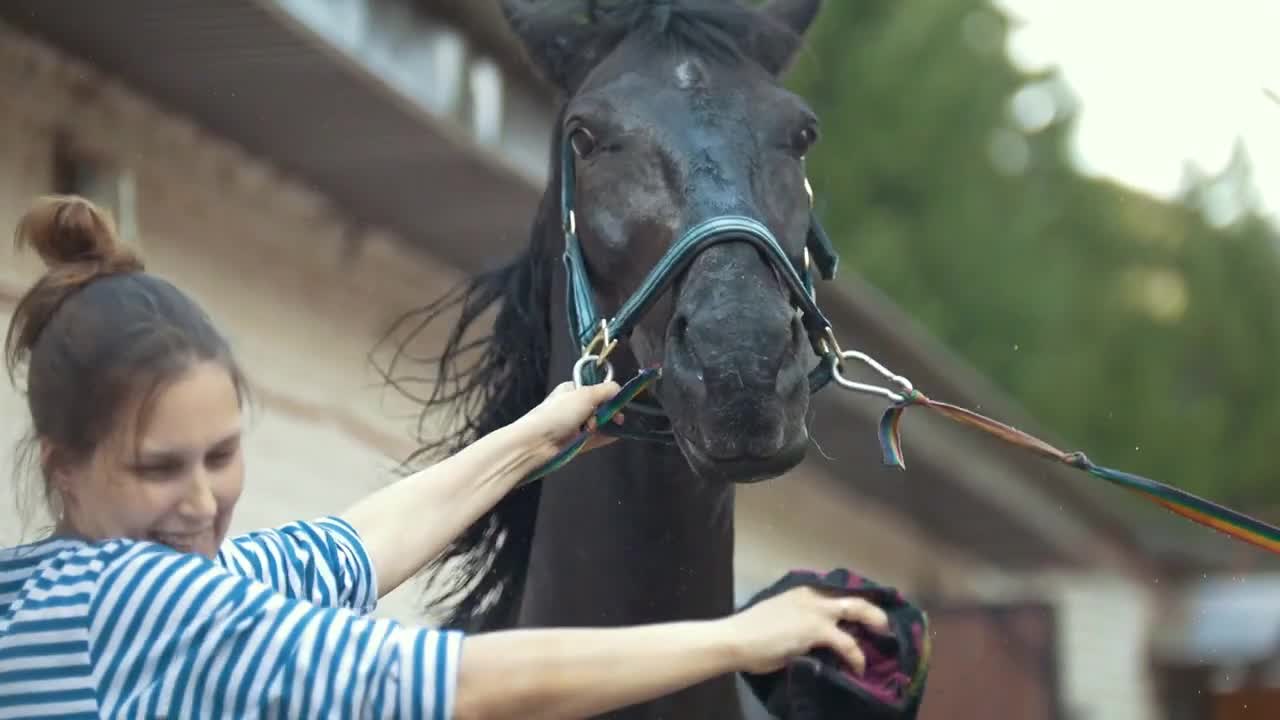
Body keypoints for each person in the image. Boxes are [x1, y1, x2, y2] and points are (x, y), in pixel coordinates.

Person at [0, 195, 891, 719]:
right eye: (161, 468)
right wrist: (739, 635)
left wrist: (536, 435)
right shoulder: (135, 602)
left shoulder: (45, 588)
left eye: (222, 455)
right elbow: (460, 685)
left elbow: (345, 548)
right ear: (65, 467)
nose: (201, 500)